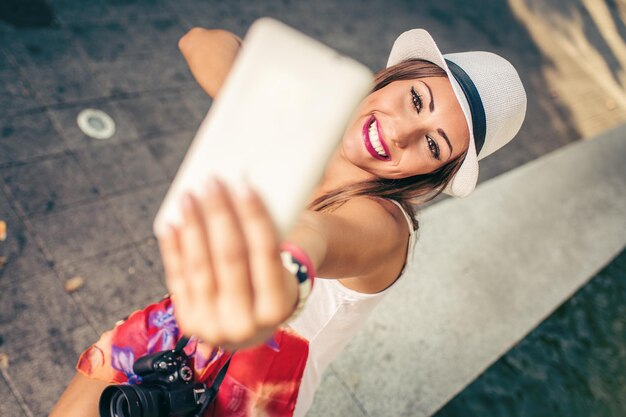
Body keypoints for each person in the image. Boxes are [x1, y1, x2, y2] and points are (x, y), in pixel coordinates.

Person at [50, 25, 526, 417]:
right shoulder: (310, 128)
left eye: (432, 144)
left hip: (247, 397)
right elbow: (201, 42)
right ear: (390, 77)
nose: (401, 132)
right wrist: (256, 108)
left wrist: (276, 281)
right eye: (417, 100)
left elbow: (314, 239)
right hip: (177, 332)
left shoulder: (387, 228)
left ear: (434, 173)